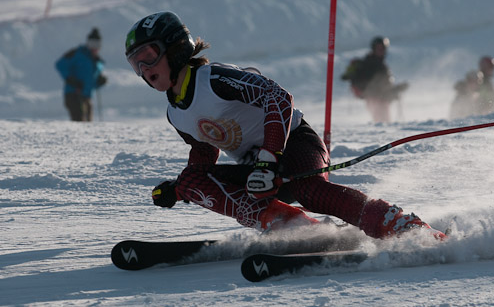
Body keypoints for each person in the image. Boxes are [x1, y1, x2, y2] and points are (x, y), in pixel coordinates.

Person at [124, 12, 445, 241]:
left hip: (295, 144)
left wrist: (269, 159)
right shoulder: (175, 112)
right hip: (260, 169)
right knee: (191, 179)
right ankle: (294, 227)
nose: (143, 69)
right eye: (135, 63)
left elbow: (277, 98)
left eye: (149, 56)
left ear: (176, 47)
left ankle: (401, 225)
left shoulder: (214, 79)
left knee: (310, 191)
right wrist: (181, 190)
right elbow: (204, 150)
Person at [341, 36, 409, 123]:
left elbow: (384, 85)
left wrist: (395, 90)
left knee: (384, 123)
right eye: (378, 48)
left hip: (381, 99)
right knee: (383, 123)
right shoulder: (370, 63)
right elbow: (377, 85)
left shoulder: (379, 63)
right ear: (373, 48)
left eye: (383, 48)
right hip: (375, 99)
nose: (381, 51)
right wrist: (393, 91)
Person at [55, 28, 108, 121]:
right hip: (73, 94)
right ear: (87, 43)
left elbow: (91, 83)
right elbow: (60, 64)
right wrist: (70, 79)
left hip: (86, 96)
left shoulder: (98, 62)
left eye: (97, 44)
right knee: (80, 123)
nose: (94, 47)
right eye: (92, 44)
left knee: (88, 124)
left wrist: (99, 82)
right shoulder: (78, 53)